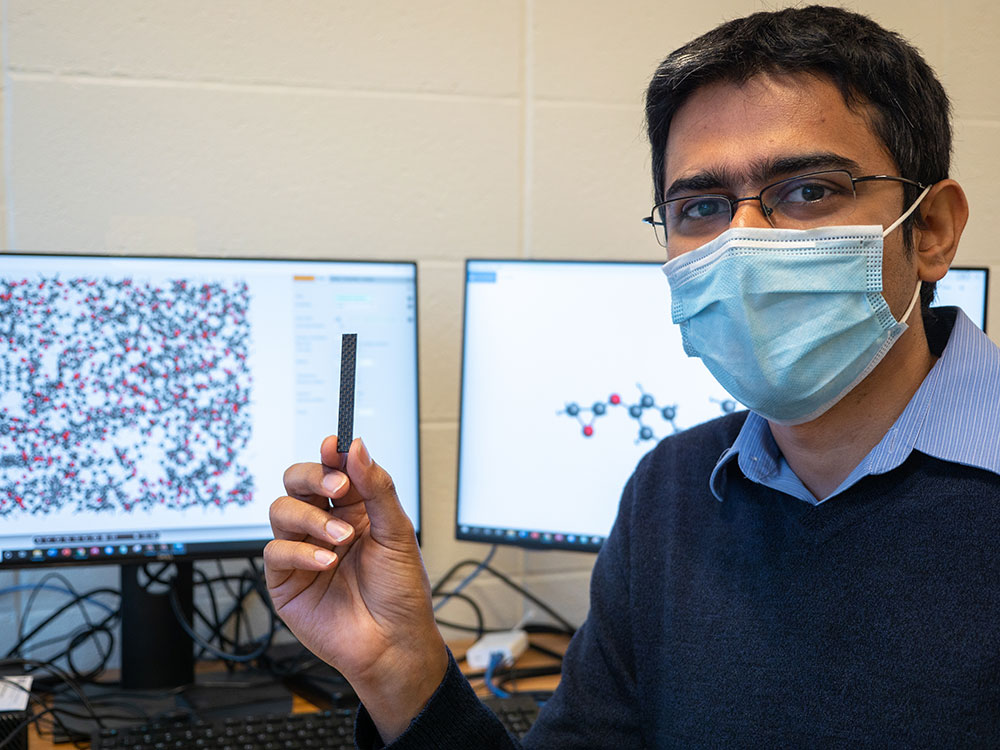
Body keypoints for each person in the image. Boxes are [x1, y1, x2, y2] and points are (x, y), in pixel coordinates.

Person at [264, 5, 1000, 747]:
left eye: (807, 191)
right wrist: (400, 669)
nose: (742, 244)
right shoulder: (673, 491)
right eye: (702, 207)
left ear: (930, 229)